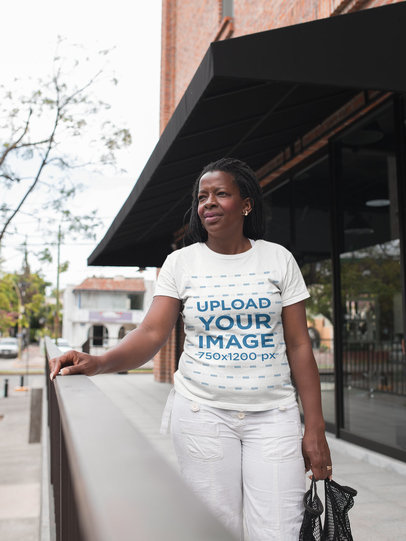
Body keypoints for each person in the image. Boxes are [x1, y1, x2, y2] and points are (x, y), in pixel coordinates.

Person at [50, 158, 332, 541]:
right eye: (202, 197)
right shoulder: (181, 262)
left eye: (220, 193)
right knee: (214, 529)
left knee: (280, 530)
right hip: (203, 414)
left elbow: (300, 346)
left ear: (246, 204)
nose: (208, 203)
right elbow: (151, 333)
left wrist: (314, 427)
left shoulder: (277, 259)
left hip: (274, 415)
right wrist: (98, 362)